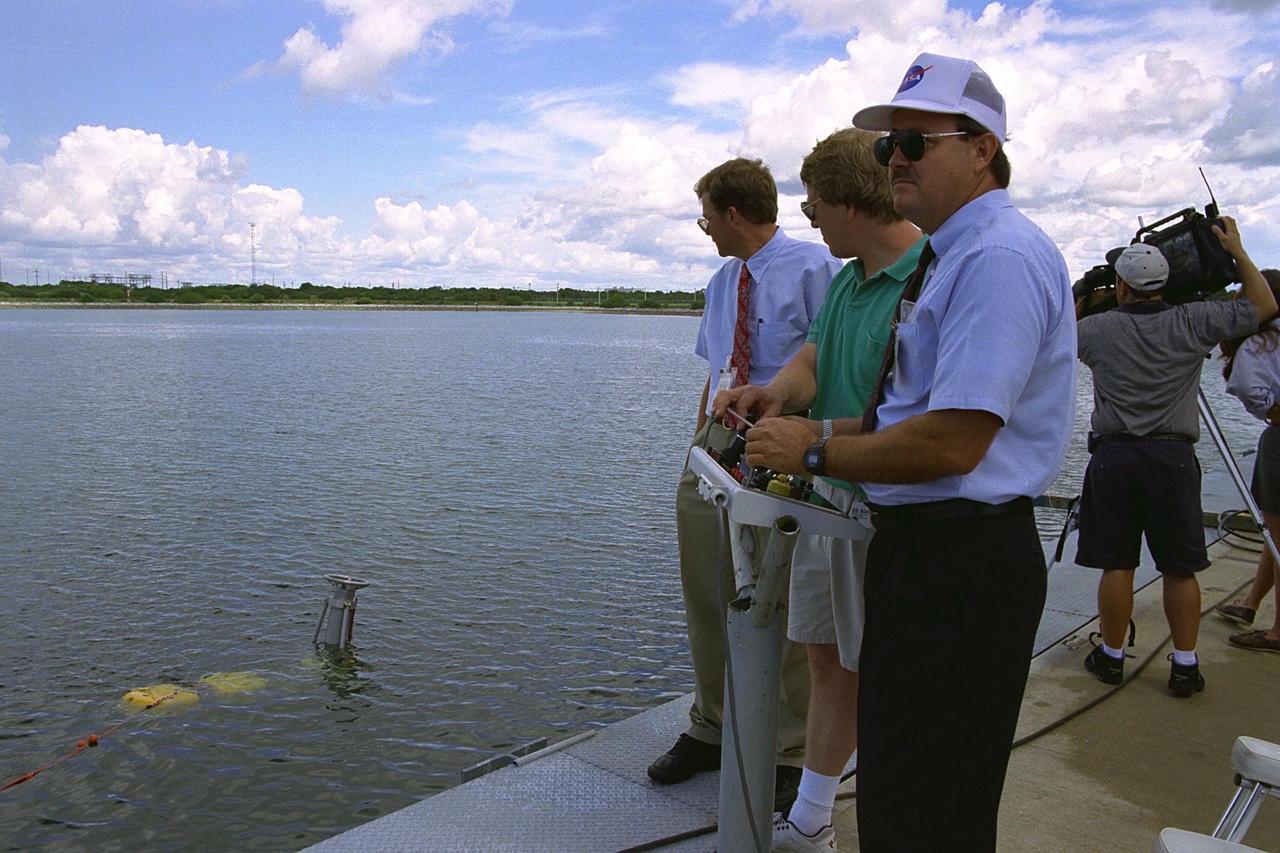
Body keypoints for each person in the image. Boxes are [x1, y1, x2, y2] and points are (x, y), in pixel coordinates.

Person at [742, 53, 1077, 851]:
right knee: (900, 793)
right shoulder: (948, 256)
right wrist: (809, 433)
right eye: (891, 143)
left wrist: (811, 458)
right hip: (925, 556)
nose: (894, 157)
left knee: (931, 808)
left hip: (961, 563)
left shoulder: (996, 258)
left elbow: (954, 440)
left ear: (981, 148)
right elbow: (904, 416)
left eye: (914, 143)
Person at [712, 128, 924, 853]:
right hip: (828, 497)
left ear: (847, 202)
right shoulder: (848, 279)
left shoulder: (928, 277)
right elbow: (812, 358)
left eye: (812, 202)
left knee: (874, 665)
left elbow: (916, 419)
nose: (805, 216)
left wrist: (811, 440)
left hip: (883, 508)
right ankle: (811, 818)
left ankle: (831, 816)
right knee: (825, 654)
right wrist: (771, 396)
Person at [652, 157, 840, 811]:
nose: (703, 227)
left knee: (781, 593)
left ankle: (787, 746)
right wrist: (700, 438)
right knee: (708, 583)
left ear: (734, 213)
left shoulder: (819, 271)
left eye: (706, 215)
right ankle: (712, 724)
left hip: (785, 440)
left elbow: (835, 366)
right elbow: (719, 367)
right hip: (717, 443)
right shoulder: (721, 280)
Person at [1076, 231, 1276, 695]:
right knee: (1179, 567)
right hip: (1173, 457)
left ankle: (1110, 656)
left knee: (1117, 563)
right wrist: (1237, 251)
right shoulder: (1195, 320)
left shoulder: (1096, 330)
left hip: (1115, 455)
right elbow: (1263, 306)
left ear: (1123, 286)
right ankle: (1185, 663)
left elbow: (1048, 337)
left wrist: (1087, 296)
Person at [1216, 268, 1280, 653]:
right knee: (1272, 537)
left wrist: (1272, 412)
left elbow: (1247, 389)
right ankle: (1251, 603)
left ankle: (1277, 632)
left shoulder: (1260, 345)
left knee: (1276, 538)